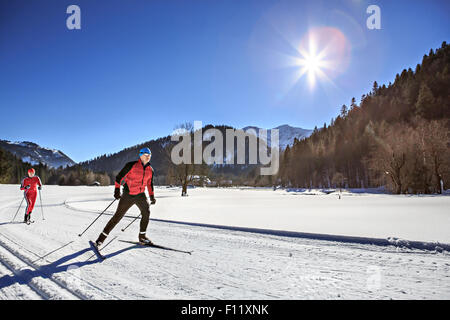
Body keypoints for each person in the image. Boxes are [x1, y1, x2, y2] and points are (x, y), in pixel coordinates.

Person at [95, 147, 156, 246]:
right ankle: (101, 238)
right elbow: (119, 177)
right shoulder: (131, 165)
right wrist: (117, 190)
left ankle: (142, 237)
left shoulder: (150, 170)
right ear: (141, 155)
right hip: (128, 195)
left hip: (141, 195)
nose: (148, 157)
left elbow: (150, 184)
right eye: (146, 155)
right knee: (117, 217)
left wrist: (152, 196)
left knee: (146, 212)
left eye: (150, 155)